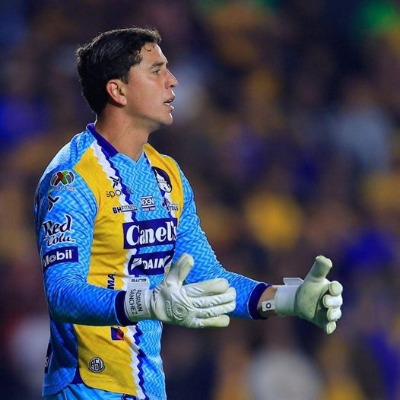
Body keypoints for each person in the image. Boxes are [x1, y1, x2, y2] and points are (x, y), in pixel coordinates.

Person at [34, 27, 343, 400]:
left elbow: (207, 277)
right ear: (118, 91)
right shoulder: (71, 178)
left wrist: (289, 299)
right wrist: (145, 302)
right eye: (156, 70)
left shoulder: (167, 175)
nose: (173, 81)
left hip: (148, 387)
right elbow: (62, 293)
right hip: (86, 386)